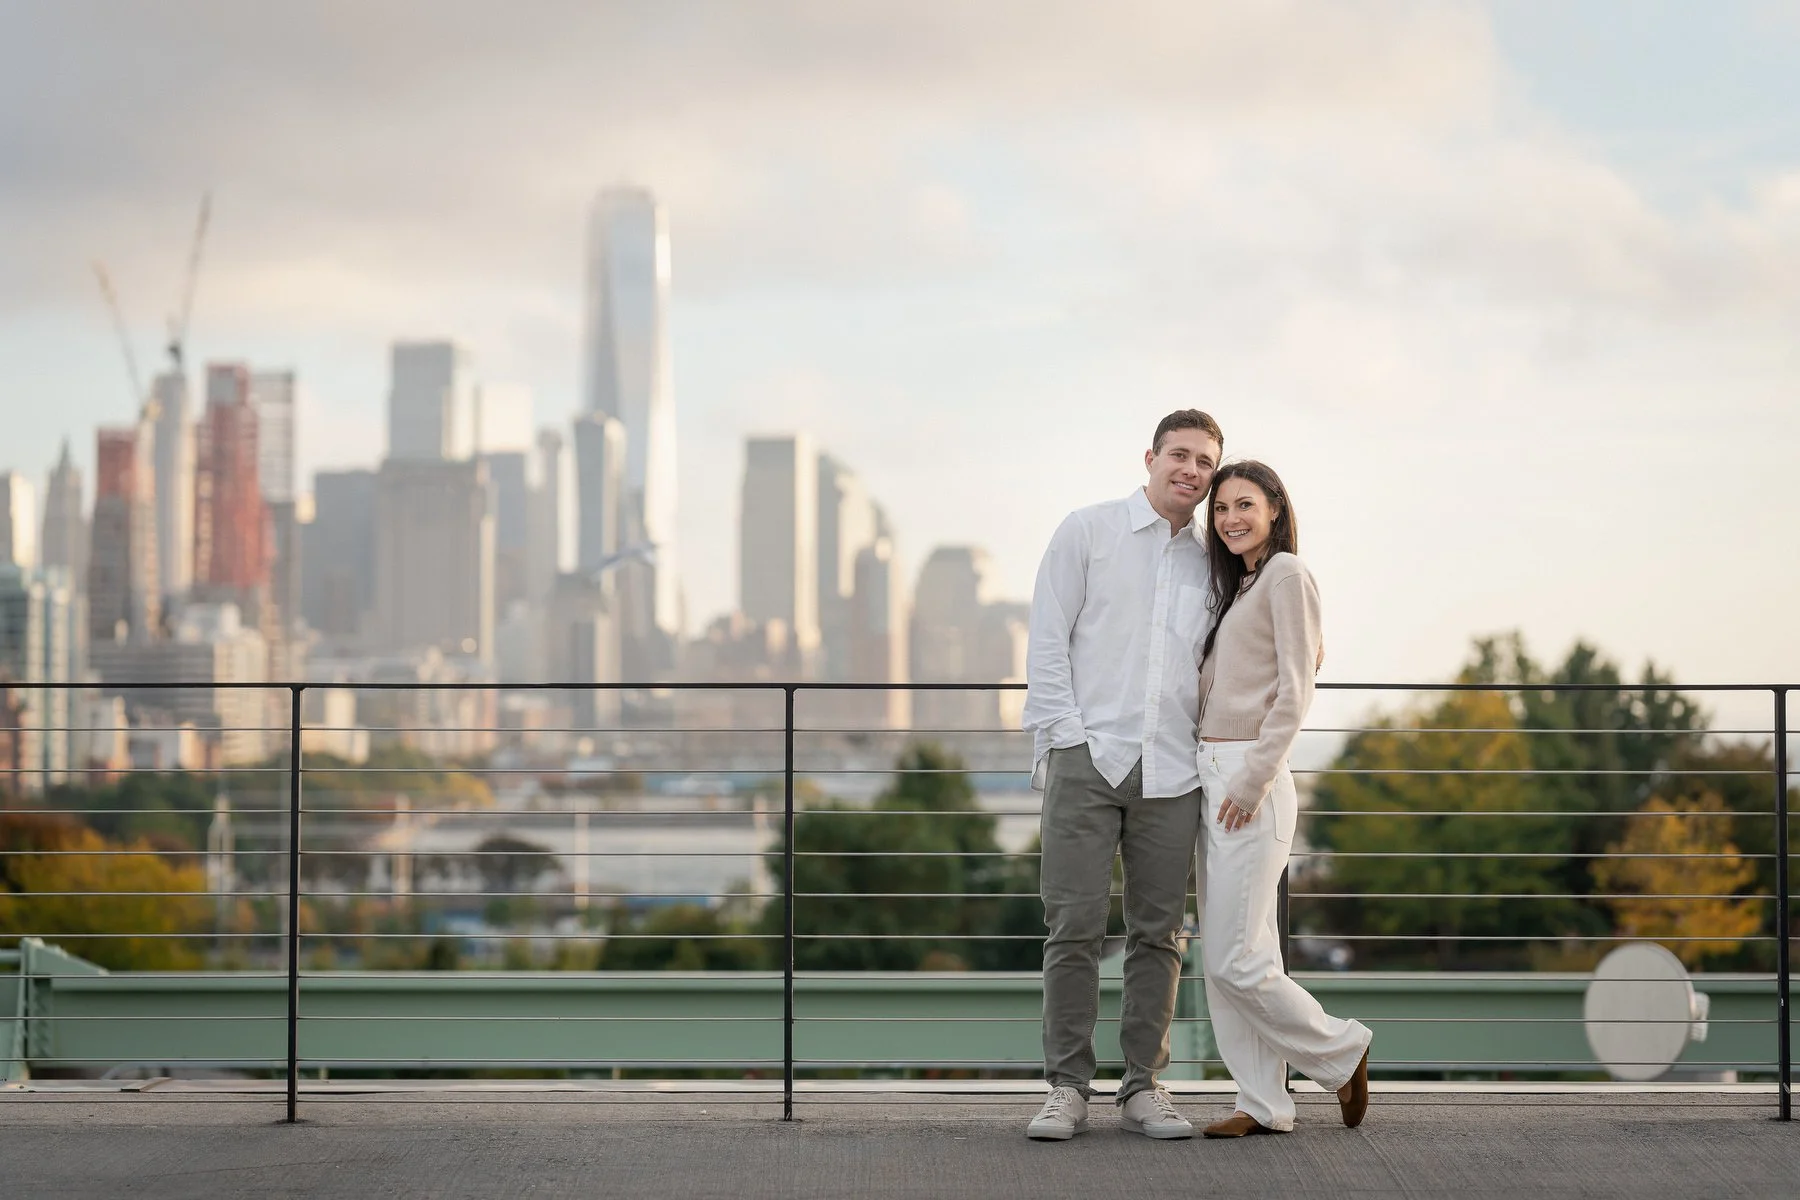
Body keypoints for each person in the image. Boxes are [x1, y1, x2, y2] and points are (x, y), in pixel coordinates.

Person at [1019, 409, 1222, 1141]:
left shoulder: (1213, 560)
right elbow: (1047, 640)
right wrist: (1067, 739)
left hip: (1174, 768)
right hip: (1088, 759)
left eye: (1204, 461)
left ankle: (1144, 1086)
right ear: (1150, 457)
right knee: (1072, 926)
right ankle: (1066, 1088)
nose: (1191, 471)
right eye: (1180, 455)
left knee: (1160, 935)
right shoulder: (1087, 530)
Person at [1192, 459, 1372, 1138]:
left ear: (1274, 507)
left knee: (1232, 958)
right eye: (1221, 510)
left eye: (1244, 504)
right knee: (1242, 955)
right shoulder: (1245, 585)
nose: (1231, 518)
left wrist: (1254, 774)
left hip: (1249, 783)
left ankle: (1340, 1050)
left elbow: (1296, 689)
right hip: (1215, 777)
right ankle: (1262, 1102)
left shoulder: (1289, 575)